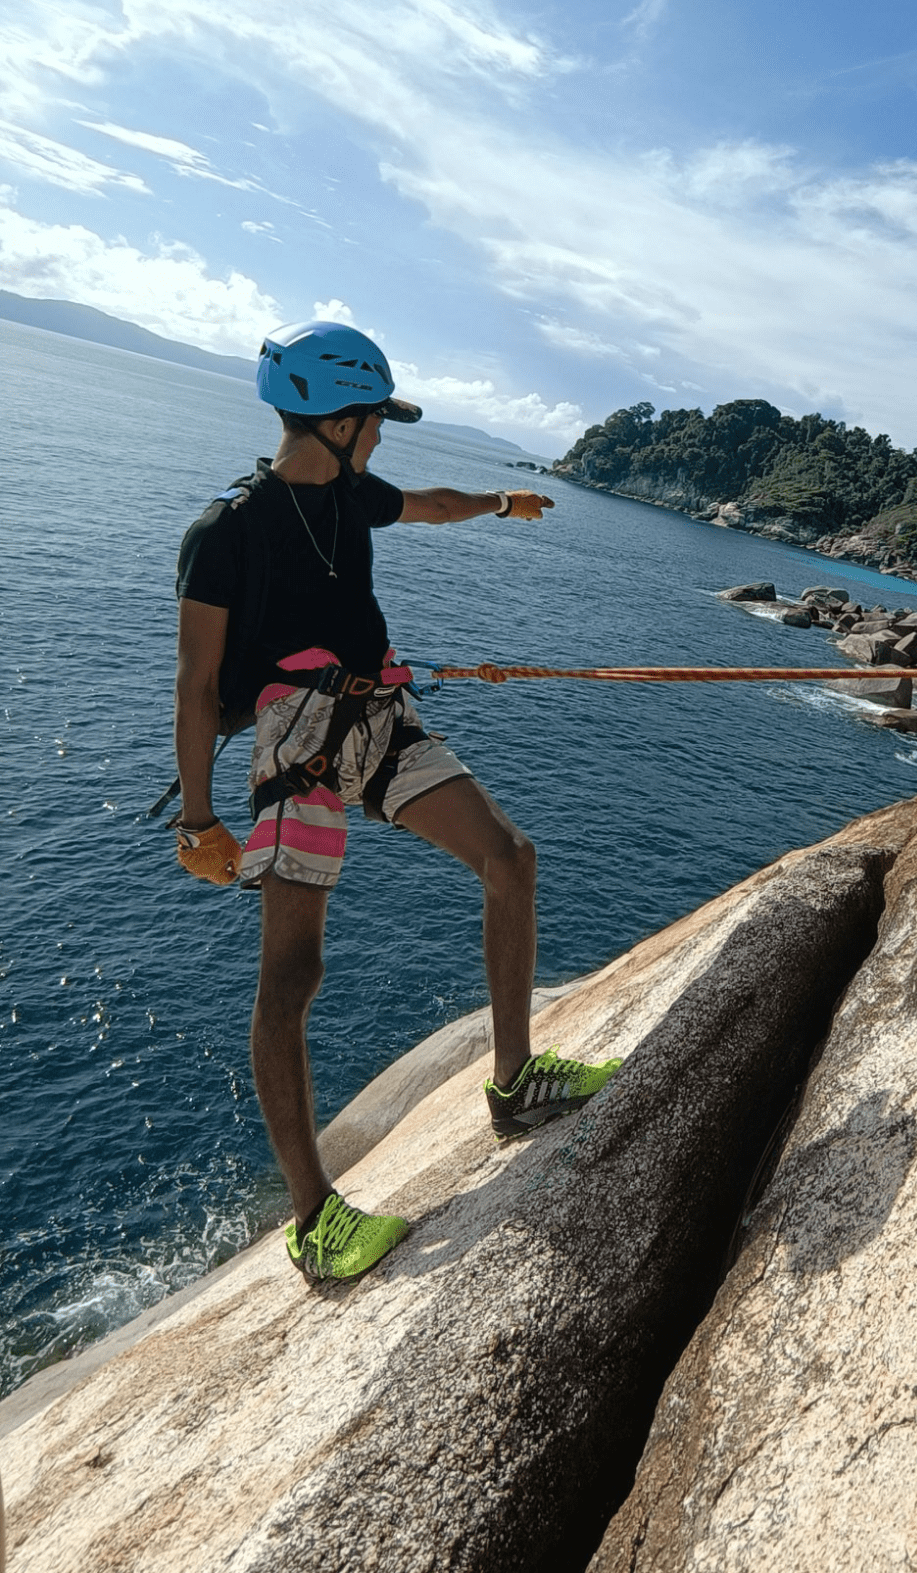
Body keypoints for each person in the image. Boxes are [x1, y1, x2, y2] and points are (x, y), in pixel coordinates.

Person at [172, 319, 620, 1286]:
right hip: (296, 738)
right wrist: (199, 819)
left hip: (380, 712)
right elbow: (196, 683)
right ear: (337, 419)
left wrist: (503, 501)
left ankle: (515, 1082)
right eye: (375, 419)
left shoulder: (349, 493)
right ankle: (315, 1221)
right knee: (293, 974)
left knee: (510, 856)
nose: (382, 435)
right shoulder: (226, 531)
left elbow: (427, 504)